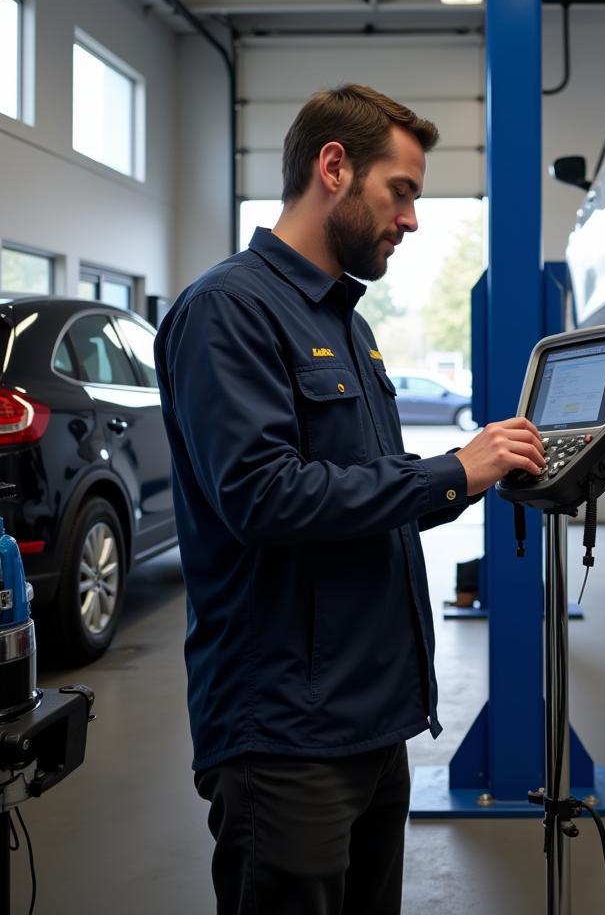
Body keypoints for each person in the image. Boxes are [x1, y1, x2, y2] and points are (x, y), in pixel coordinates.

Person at [155, 84, 545, 914]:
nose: (410, 220)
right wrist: (450, 471)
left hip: (368, 721)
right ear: (334, 168)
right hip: (285, 734)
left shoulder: (348, 325)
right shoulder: (228, 311)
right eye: (400, 192)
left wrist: (478, 475)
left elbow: (361, 492)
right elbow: (263, 497)